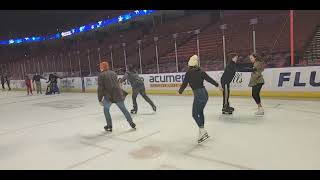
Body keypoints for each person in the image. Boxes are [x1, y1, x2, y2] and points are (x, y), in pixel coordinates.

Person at [178, 55, 223, 143]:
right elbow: (209, 79)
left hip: (199, 95)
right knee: (200, 112)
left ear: (189, 64)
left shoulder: (189, 73)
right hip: (205, 94)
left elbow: (184, 84)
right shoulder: (201, 71)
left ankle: (202, 131)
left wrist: (179, 92)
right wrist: (218, 86)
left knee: (194, 114)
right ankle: (201, 131)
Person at [97, 61, 136, 132]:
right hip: (118, 94)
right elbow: (116, 83)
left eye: (100, 66)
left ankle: (109, 126)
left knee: (106, 110)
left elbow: (100, 89)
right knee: (124, 109)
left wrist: (100, 99)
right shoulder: (113, 73)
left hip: (109, 96)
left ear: (102, 67)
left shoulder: (101, 75)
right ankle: (131, 123)